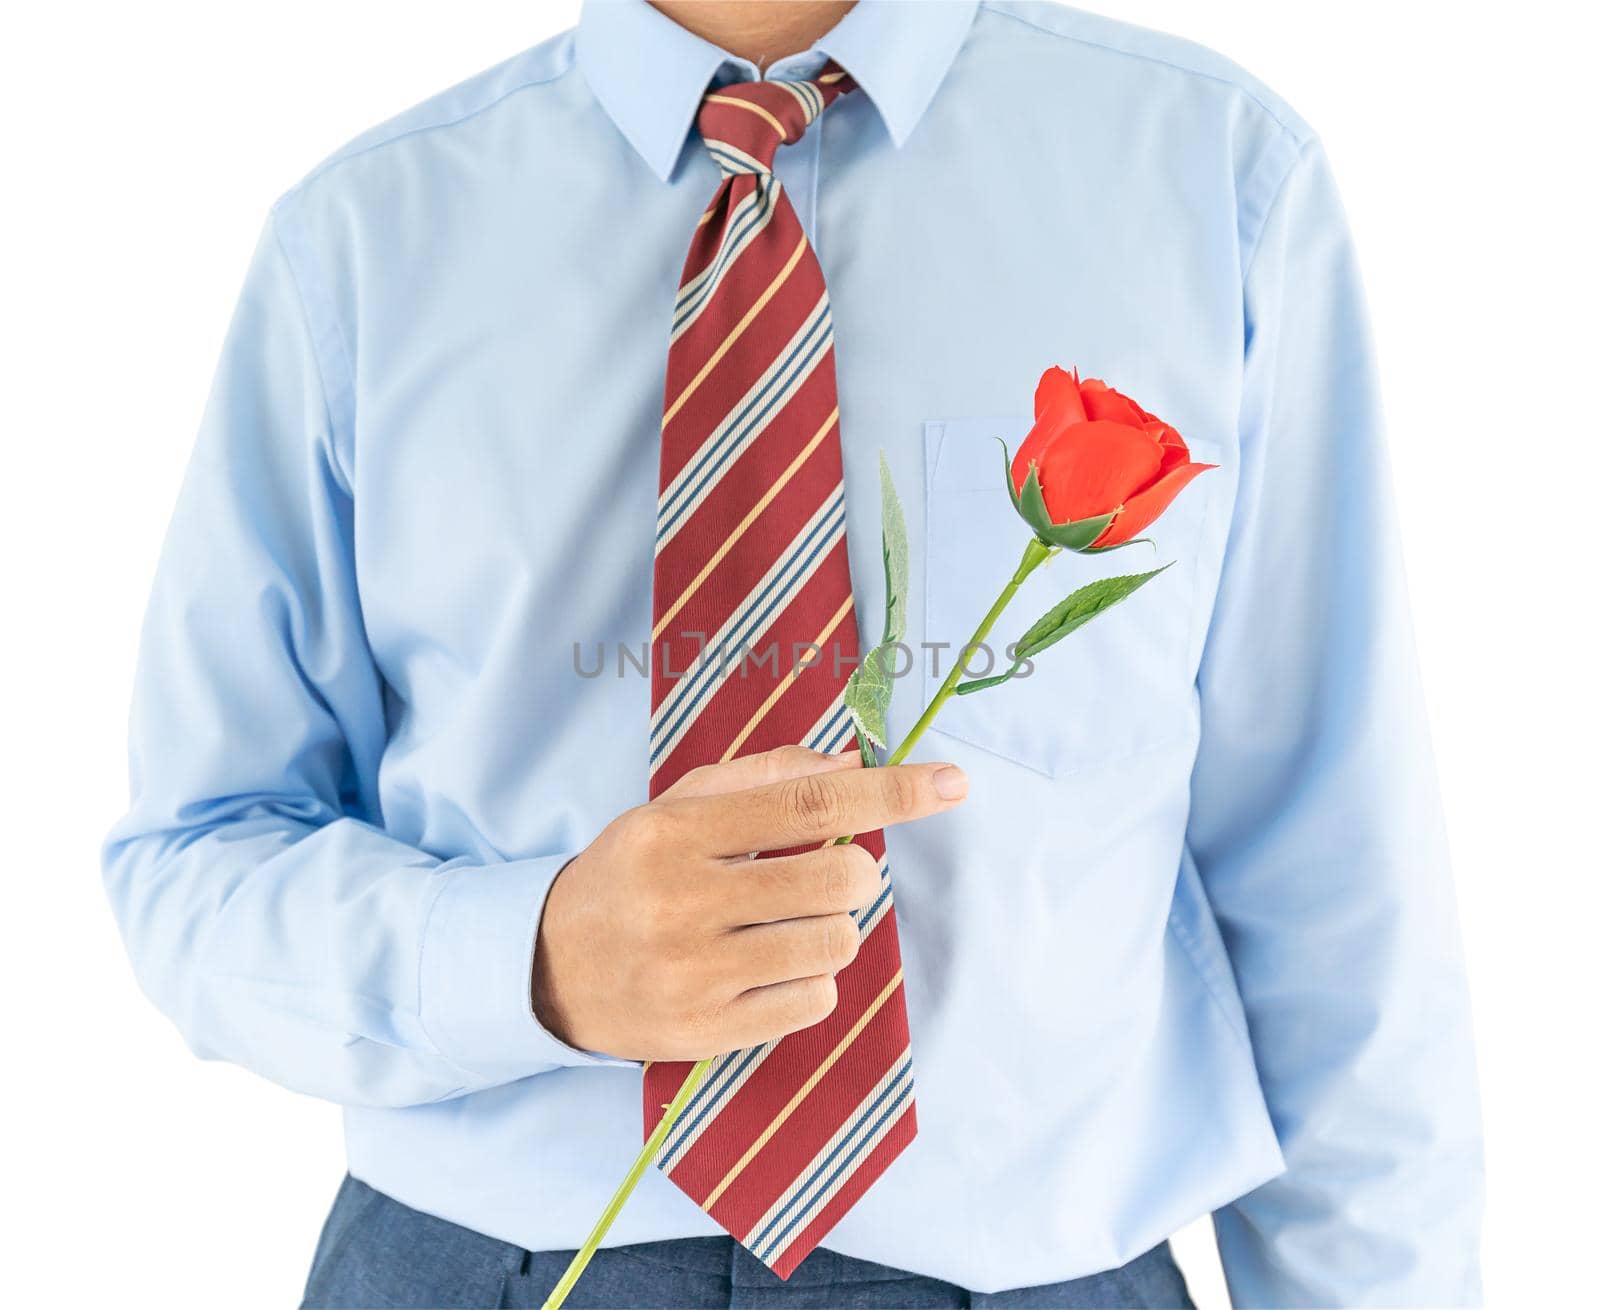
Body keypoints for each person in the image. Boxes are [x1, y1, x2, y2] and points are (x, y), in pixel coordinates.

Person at [103, 2, 1483, 1306]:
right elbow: (194, 855)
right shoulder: (360, 244)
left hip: (1043, 1268)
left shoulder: (1214, 181)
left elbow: (1334, 887)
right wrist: (527, 957)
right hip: (494, 1262)